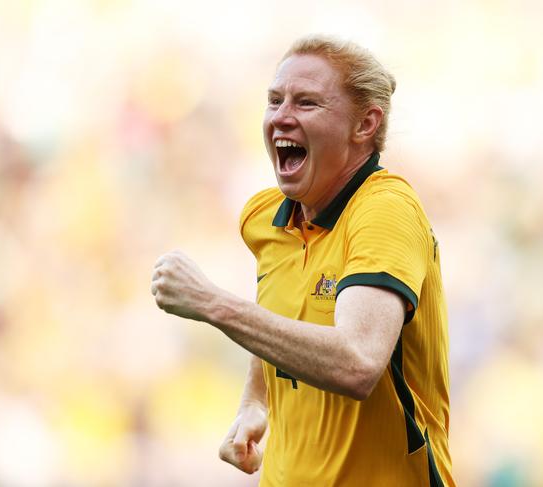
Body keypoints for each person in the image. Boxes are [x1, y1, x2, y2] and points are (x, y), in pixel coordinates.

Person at [151, 35, 455, 486]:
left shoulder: (385, 209)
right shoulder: (264, 218)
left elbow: (357, 362)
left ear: (365, 124)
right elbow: (281, 309)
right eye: (274, 101)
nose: (281, 118)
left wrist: (214, 305)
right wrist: (256, 401)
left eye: (307, 103)